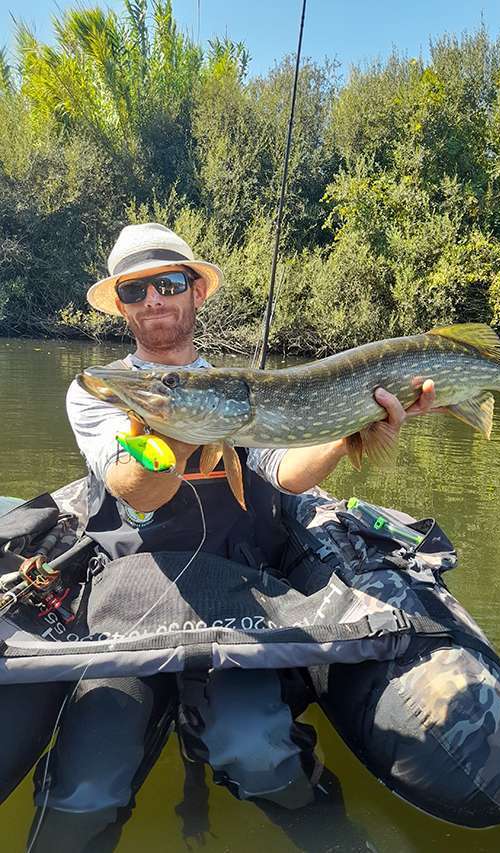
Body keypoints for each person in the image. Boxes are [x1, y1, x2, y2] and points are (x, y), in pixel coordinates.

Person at [25, 222, 441, 852]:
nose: (153, 300)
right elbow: (137, 490)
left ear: (195, 291)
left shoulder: (239, 392)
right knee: (85, 785)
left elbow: (286, 473)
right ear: (122, 307)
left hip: (238, 596)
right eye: (135, 291)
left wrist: (350, 429)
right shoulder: (105, 390)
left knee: (256, 749)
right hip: (131, 597)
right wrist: (181, 421)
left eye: (168, 283)